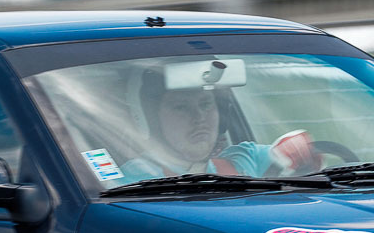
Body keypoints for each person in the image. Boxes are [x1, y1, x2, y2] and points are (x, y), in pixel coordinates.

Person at [119, 67, 318, 183]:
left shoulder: (244, 160)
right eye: (181, 107)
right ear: (151, 120)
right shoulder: (133, 181)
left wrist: (298, 147)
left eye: (206, 104)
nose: (199, 117)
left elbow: (285, 151)